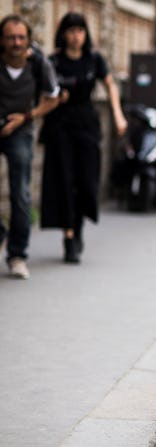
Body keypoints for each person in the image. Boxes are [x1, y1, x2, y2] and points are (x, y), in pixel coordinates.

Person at [39, 12, 127, 264]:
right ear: (63, 34)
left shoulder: (94, 60)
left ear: (86, 34)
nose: (75, 36)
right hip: (60, 126)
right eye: (71, 30)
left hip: (86, 124)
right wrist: (52, 101)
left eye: (80, 30)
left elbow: (110, 85)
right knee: (64, 180)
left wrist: (118, 115)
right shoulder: (53, 61)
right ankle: (69, 236)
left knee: (86, 180)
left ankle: (78, 227)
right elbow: (42, 92)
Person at [0, 14, 59, 279]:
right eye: (11, 37)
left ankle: (18, 254)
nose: (16, 42)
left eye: (21, 37)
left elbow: (52, 99)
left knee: (20, 194)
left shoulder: (39, 63)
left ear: (28, 39)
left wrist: (25, 117)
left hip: (21, 130)